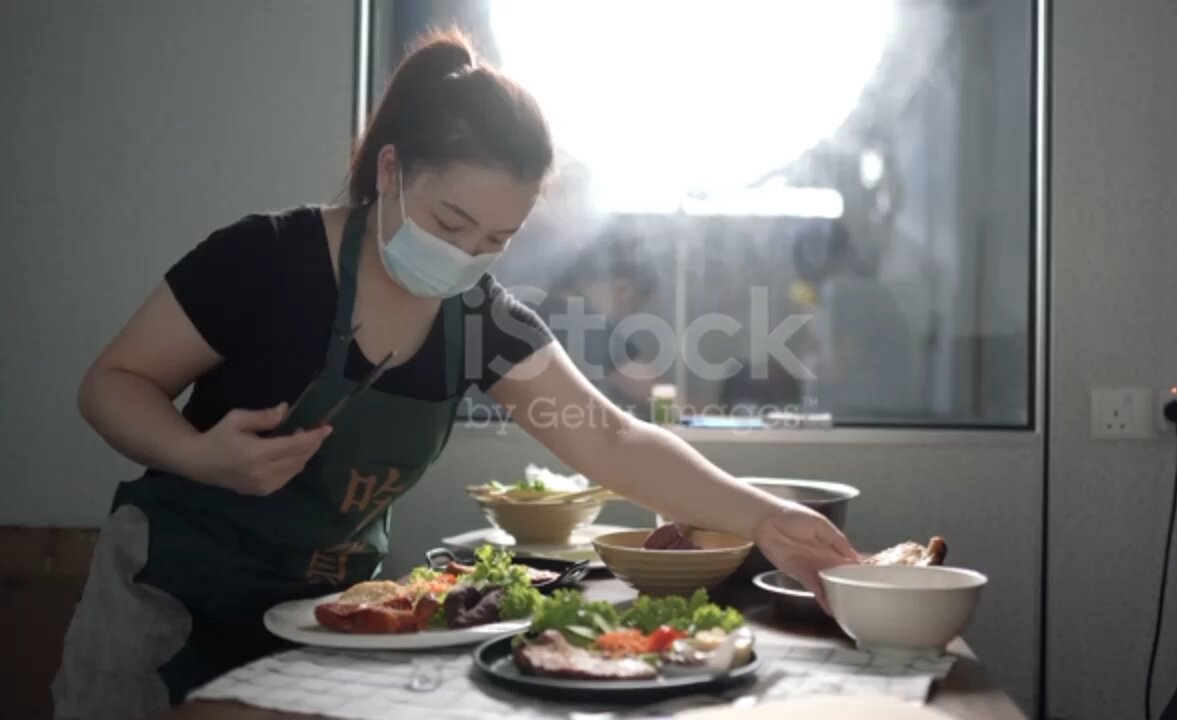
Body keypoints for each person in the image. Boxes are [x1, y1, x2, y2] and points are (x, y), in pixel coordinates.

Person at [52, 30, 860, 719]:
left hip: (326, 619)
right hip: (165, 600)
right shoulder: (263, 260)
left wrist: (766, 519)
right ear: (391, 171)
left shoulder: (479, 319)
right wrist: (203, 457)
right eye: (450, 223)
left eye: (496, 241)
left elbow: (613, 439)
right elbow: (112, 383)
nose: (466, 257)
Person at [537, 231, 663, 411]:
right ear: (622, 289)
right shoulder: (586, 326)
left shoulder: (542, 311)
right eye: (631, 308)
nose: (623, 317)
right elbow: (660, 395)